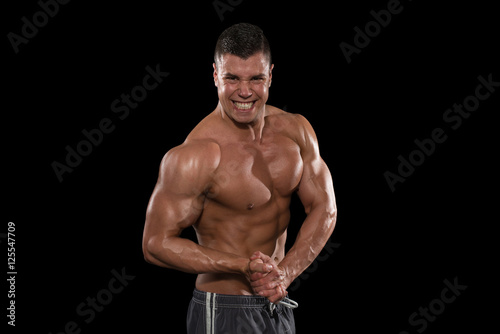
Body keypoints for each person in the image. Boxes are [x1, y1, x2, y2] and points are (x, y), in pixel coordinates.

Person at [142, 22, 337, 333]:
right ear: (216, 75)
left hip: (277, 302)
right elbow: (154, 244)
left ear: (270, 75)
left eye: (256, 78)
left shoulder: (297, 131)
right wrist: (241, 265)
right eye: (232, 78)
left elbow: (325, 209)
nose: (245, 92)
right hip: (224, 308)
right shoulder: (196, 155)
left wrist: (285, 274)